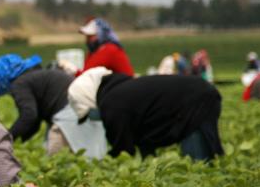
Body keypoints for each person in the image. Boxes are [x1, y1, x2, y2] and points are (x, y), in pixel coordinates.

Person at [68, 68, 223, 162]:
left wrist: (104, 166)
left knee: (198, 161)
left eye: (88, 114)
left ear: (90, 101)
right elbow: (143, 135)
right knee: (206, 153)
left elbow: (122, 150)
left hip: (196, 100)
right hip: (202, 93)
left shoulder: (111, 104)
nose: (92, 119)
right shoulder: (119, 91)